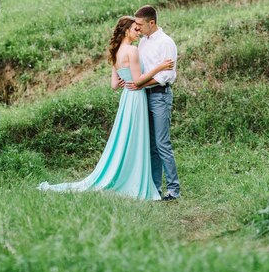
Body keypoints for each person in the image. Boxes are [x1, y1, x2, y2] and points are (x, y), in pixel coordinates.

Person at [38, 16, 174, 200]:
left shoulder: (116, 51)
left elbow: (113, 85)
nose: (138, 31)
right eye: (135, 29)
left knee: (129, 138)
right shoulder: (133, 50)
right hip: (136, 97)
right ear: (126, 31)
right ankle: (135, 178)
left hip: (127, 97)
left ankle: (136, 175)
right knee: (136, 139)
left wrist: (124, 78)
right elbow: (138, 81)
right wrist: (159, 67)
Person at [129, 5, 180, 201]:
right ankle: (155, 188)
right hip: (144, 97)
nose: (138, 28)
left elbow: (166, 74)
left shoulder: (166, 42)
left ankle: (174, 190)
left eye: (141, 24)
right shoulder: (142, 42)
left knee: (162, 143)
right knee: (151, 145)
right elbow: (141, 70)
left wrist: (141, 84)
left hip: (160, 96)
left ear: (152, 23)